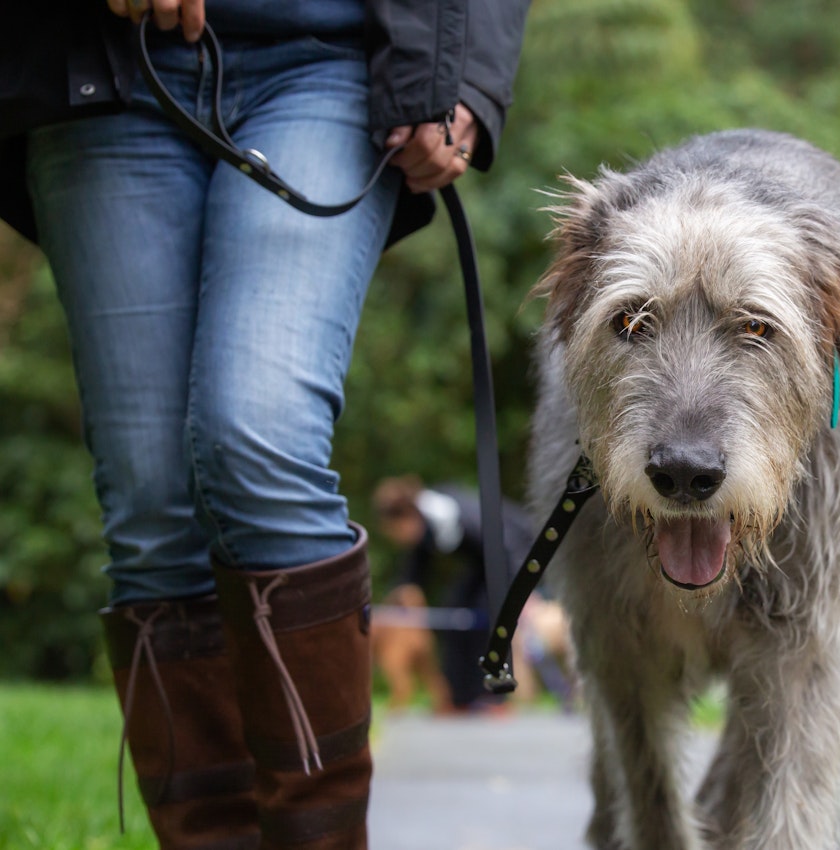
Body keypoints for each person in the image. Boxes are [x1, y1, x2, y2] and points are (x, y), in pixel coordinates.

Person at [0, 1, 529, 847]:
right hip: (100, 63)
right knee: (150, 498)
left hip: (332, 64)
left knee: (260, 437)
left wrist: (462, 75)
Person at [373, 475, 539, 713]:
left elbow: (505, 544)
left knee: (490, 617)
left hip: (511, 552)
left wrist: (520, 592)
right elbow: (416, 570)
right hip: (483, 564)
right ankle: (459, 697)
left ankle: (494, 696)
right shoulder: (426, 523)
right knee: (455, 612)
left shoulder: (449, 512)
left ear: (406, 517)